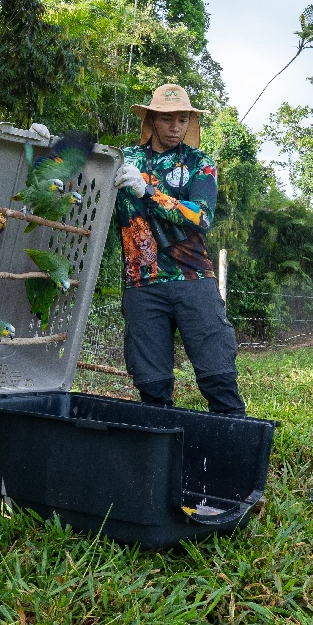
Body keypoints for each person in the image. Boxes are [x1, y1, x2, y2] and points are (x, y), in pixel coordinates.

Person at [112, 83, 246, 416]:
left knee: (218, 374)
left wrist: (147, 192)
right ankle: (160, 445)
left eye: (183, 120)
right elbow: (80, 176)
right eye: (167, 119)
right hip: (142, 284)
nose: (175, 127)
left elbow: (202, 217)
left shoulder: (200, 163)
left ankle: (233, 436)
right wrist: (48, 148)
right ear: (152, 120)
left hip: (193, 278)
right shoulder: (124, 161)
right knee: (151, 384)